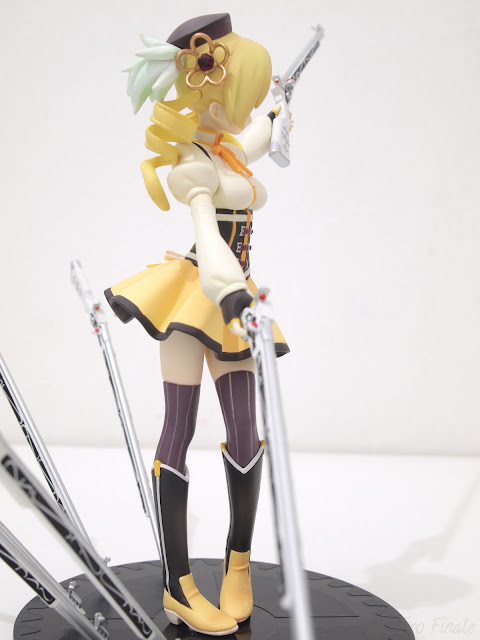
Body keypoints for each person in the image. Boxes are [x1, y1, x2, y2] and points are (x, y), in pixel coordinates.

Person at [105, 13, 289, 636]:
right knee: (178, 428)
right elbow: (209, 239)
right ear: (211, 90)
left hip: (232, 297)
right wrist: (230, 293)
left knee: (245, 433)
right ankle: (177, 584)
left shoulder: (226, 146)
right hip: (199, 301)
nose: (248, 107)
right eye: (245, 92)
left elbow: (257, 138)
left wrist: (278, 109)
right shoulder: (193, 164)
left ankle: (238, 563)